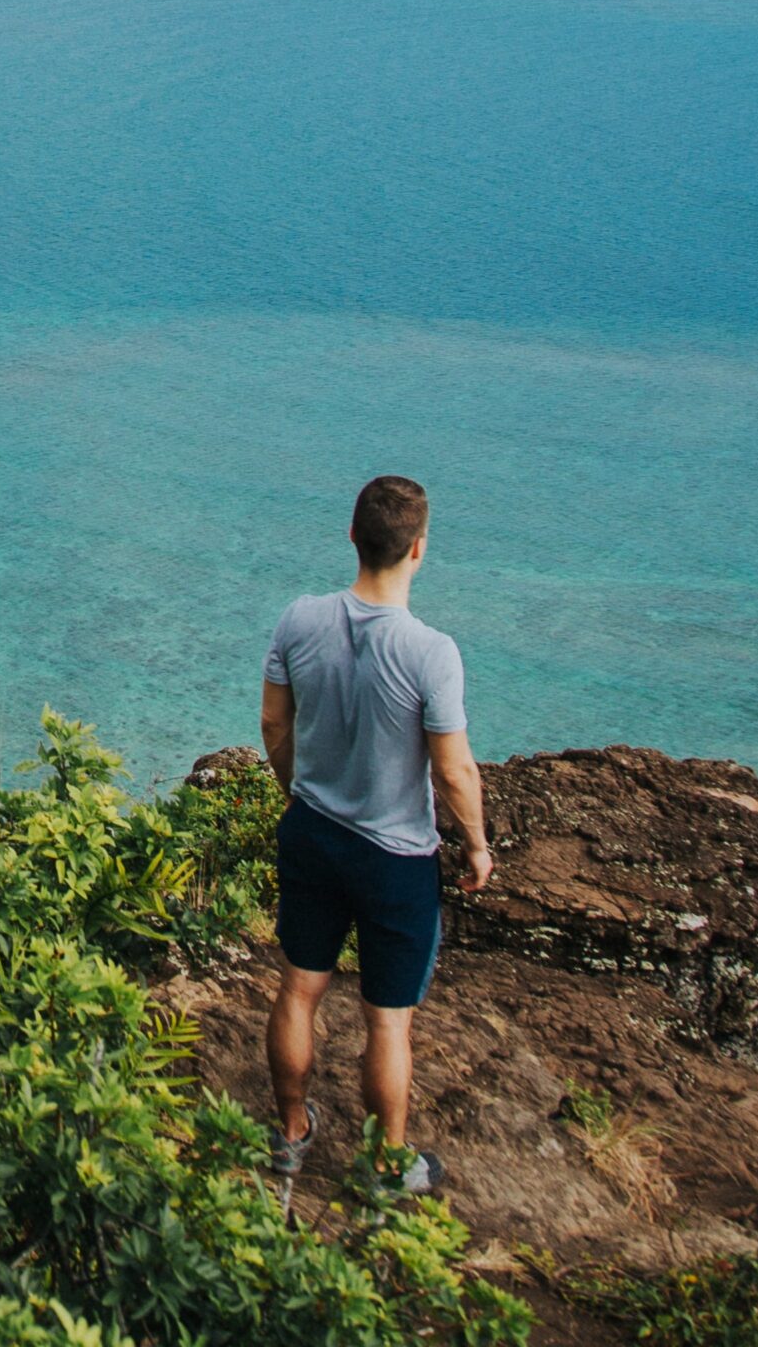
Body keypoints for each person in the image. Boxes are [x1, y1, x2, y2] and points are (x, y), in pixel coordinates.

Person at [259, 473, 492, 1196]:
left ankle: (292, 1133)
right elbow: (453, 772)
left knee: (299, 990)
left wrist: (295, 787)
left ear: (352, 535)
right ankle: (385, 1166)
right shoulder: (432, 653)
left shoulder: (300, 619)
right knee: (388, 1024)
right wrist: (478, 844)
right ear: (420, 549)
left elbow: (274, 724)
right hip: (395, 859)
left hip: (314, 832)